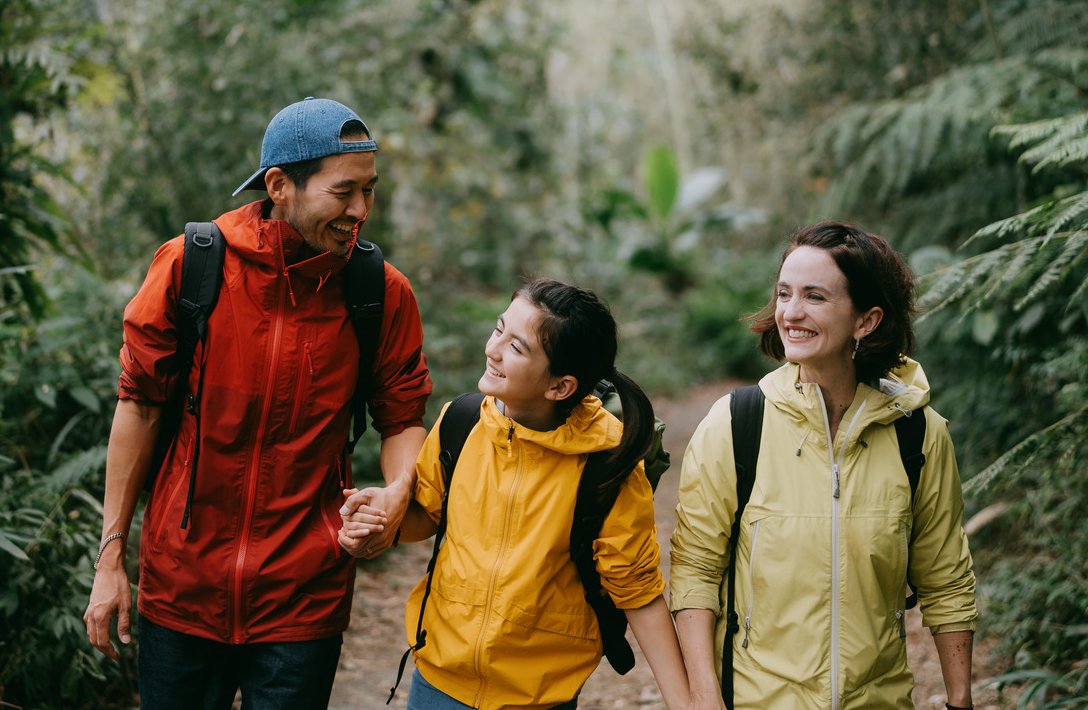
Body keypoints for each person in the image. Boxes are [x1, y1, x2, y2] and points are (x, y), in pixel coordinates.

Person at [82, 97, 433, 710]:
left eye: (370, 191)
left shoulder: (379, 291)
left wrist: (398, 496)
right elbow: (138, 407)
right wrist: (111, 556)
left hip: (305, 596)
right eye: (344, 191)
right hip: (181, 588)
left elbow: (402, 417)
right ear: (279, 186)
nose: (361, 211)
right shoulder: (192, 266)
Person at [342, 278, 698, 710]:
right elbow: (429, 515)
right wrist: (384, 521)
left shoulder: (606, 463)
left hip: (539, 698)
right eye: (498, 329)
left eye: (517, 347)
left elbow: (637, 591)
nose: (493, 349)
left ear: (560, 387)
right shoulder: (462, 422)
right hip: (438, 683)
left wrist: (686, 702)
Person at [668, 221, 977, 710]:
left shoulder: (918, 434)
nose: (790, 312)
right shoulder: (737, 423)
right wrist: (705, 698)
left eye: (814, 296)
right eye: (784, 293)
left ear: (866, 320)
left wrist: (960, 698)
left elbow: (945, 574)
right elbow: (695, 570)